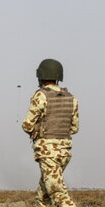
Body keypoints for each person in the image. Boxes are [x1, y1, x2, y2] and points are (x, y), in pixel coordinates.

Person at [22, 59, 79, 207]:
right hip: (65, 151)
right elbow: (74, 128)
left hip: (47, 151)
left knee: (57, 191)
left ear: (41, 76)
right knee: (43, 196)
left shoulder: (41, 95)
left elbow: (27, 125)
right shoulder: (71, 98)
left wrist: (37, 131)